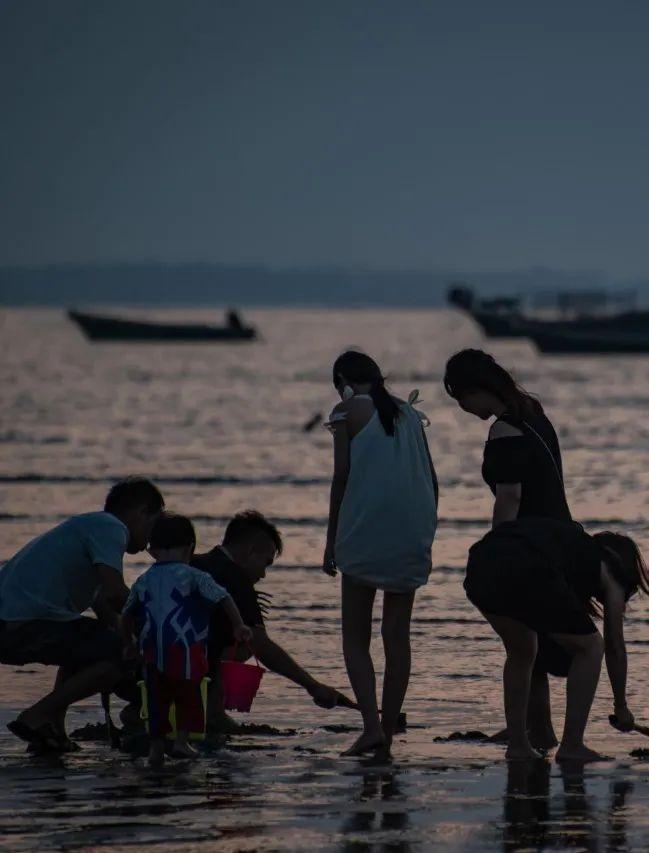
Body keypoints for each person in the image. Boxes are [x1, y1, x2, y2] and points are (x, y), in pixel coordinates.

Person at [444, 348, 572, 748]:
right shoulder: (532, 411)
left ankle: (524, 733)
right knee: (528, 637)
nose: (464, 409)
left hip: (527, 544)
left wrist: (496, 548)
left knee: (520, 644)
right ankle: (538, 728)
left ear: (478, 389)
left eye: (462, 399)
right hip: (556, 535)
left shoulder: (504, 430)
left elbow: (509, 497)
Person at [324, 350, 438, 756]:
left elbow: (341, 477)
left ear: (343, 380)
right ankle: (388, 730)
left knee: (356, 637)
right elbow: (431, 478)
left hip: (364, 530)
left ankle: (371, 727)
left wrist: (330, 541)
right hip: (411, 532)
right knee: (397, 636)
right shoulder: (409, 414)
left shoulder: (347, 410)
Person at [0, 477, 164, 750]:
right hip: (19, 626)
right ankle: (37, 715)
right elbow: (115, 593)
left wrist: (128, 634)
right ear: (141, 512)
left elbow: (103, 605)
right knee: (114, 654)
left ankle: (52, 725)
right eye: (153, 525)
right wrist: (158, 624)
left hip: (13, 624)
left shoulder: (90, 527)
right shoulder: (111, 527)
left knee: (90, 639)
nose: (152, 538)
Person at [464, 517, 647, 761]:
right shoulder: (609, 571)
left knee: (524, 650)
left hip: (481, 565)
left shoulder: (569, 551)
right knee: (592, 647)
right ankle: (572, 745)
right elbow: (614, 645)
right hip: (522, 564)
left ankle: (522, 743)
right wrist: (621, 707)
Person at [191, 510, 346, 732]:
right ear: (251, 550)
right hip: (199, 670)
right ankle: (213, 715)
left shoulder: (193, 563)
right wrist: (313, 687)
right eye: (266, 563)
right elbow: (261, 645)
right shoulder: (236, 578)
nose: (263, 575)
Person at [121, 512, 252, 767]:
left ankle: (156, 750)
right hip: (187, 651)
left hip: (153, 653)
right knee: (189, 697)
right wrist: (238, 624)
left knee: (157, 700)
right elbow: (223, 597)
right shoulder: (194, 576)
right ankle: (181, 742)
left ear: (151, 551)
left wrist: (129, 642)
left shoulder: (144, 580)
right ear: (191, 548)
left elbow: (126, 614)